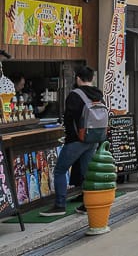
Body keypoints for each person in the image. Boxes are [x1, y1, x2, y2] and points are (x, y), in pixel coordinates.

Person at [41, 66, 103, 216]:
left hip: (77, 139)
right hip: (94, 138)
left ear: (78, 78)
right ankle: (88, 203)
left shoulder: (75, 95)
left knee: (60, 170)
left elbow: (69, 120)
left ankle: (60, 205)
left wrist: (68, 138)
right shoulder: (98, 95)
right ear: (92, 78)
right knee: (87, 172)